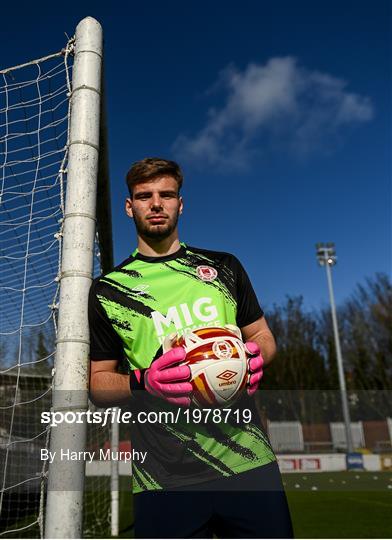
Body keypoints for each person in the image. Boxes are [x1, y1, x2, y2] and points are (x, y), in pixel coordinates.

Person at [88, 157, 293, 538]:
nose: (156, 203)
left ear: (180, 204)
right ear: (129, 207)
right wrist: (144, 381)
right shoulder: (108, 290)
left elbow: (263, 337)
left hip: (248, 461)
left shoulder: (224, 267)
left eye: (166, 194)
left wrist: (255, 357)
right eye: (144, 196)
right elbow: (98, 384)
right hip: (163, 475)